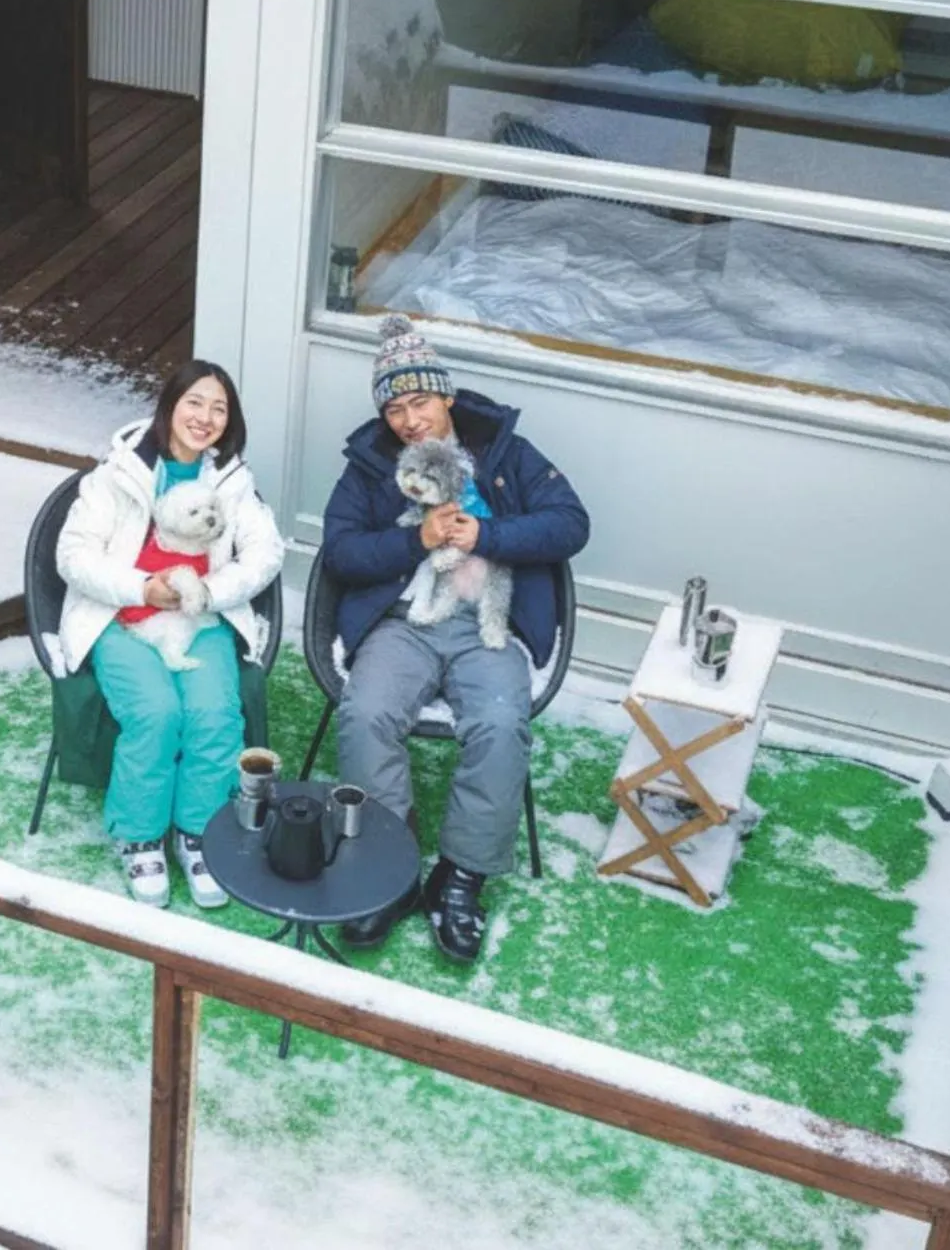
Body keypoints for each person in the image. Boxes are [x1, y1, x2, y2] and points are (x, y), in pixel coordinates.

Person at [324, 316, 589, 961]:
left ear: (445, 395)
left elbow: (570, 525)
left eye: (419, 401)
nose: (409, 420)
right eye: (394, 408)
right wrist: (415, 540)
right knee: (364, 713)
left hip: (486, 624)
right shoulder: (368, 468)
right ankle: (389, 866)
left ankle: (461, 876)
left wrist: (487, 536)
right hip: (405, 618)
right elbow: (341, 553)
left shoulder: (508, 455)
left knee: (501, 722)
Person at [56, 361, 285, 909]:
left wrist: (210, 592)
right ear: (169, 405)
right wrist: (141, 588)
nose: (204, 417)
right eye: (194, 402)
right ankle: (139, 836)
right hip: (123, 618)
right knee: (156, 712)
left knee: (214, 715)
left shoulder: (231, 483)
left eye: (219, 408)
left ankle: (198, 833)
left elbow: (266, 554)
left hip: (199, 615)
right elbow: (72, 554)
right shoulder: (117, 474)